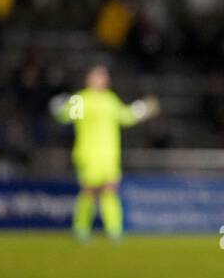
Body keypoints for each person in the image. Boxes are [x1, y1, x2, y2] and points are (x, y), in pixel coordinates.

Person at [49, 65, 159, 241]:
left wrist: (142, 109)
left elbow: (126, 116)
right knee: (89, 191)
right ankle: (81, 229)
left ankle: (114, 231)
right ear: (89, 79)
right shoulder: (82, 99)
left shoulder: (110, 100)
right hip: (89, 154)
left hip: (109, 154)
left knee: (110, 190)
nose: (100, 80)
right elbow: (64, 115)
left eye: (103, 77)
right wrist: (57, 107)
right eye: (96, 76)